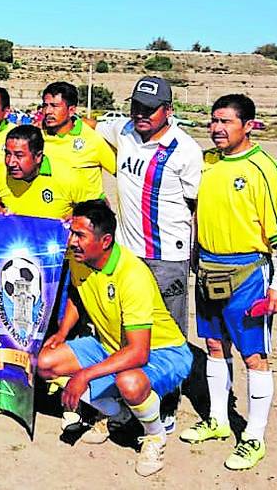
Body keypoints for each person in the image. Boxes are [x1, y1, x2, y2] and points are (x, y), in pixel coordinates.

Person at [179, 94, 277, 472]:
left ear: (248, 125)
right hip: (208, 269)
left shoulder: (264, 168)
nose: (217, 128)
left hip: (248, 273)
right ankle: (217, 419)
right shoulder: (206, 162)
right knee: (214, 345)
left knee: (254, 356)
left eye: (226, 121)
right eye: (213, 120)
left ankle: (254, 436)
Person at [37, 201, 192, 477]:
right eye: (72, 233)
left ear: (105, 241)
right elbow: (76, 291)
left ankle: (155, 436)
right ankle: (115, 411)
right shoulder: (79, 258)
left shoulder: (132, 275)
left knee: (129, 382)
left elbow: (139, 353)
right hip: (110, 346)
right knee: (45, 362)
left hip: (163, 351)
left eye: (80, 236)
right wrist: (61, 333)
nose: (72, 242)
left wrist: (85, 375)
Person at [95, 75, 202, 433]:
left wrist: (195, 255)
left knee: (167, 334)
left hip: (166, 258)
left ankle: (167, 405)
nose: (141, 114)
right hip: (128, 255)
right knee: (128, 330)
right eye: (137, 106)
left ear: (168, 111)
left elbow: (196, 205)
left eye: (150, 109)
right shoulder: (123, 130)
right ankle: (131, 401)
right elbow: (90, 127)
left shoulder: (185, 150)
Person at [40, 81, 117, 202]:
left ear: (71, 110)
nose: (48, 111)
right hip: (48, 216)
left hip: (83, 216)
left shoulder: (93, 139)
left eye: (55, 106)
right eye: (45, 105)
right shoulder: (37, 137)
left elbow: (123, 175)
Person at [0, 125, 85, 219]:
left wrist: (67, 221)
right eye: (8, 154)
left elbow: (92, 207)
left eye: (19, 155)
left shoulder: (68, 176)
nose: (10, 162)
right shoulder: (0, 173)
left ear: (38, 156)